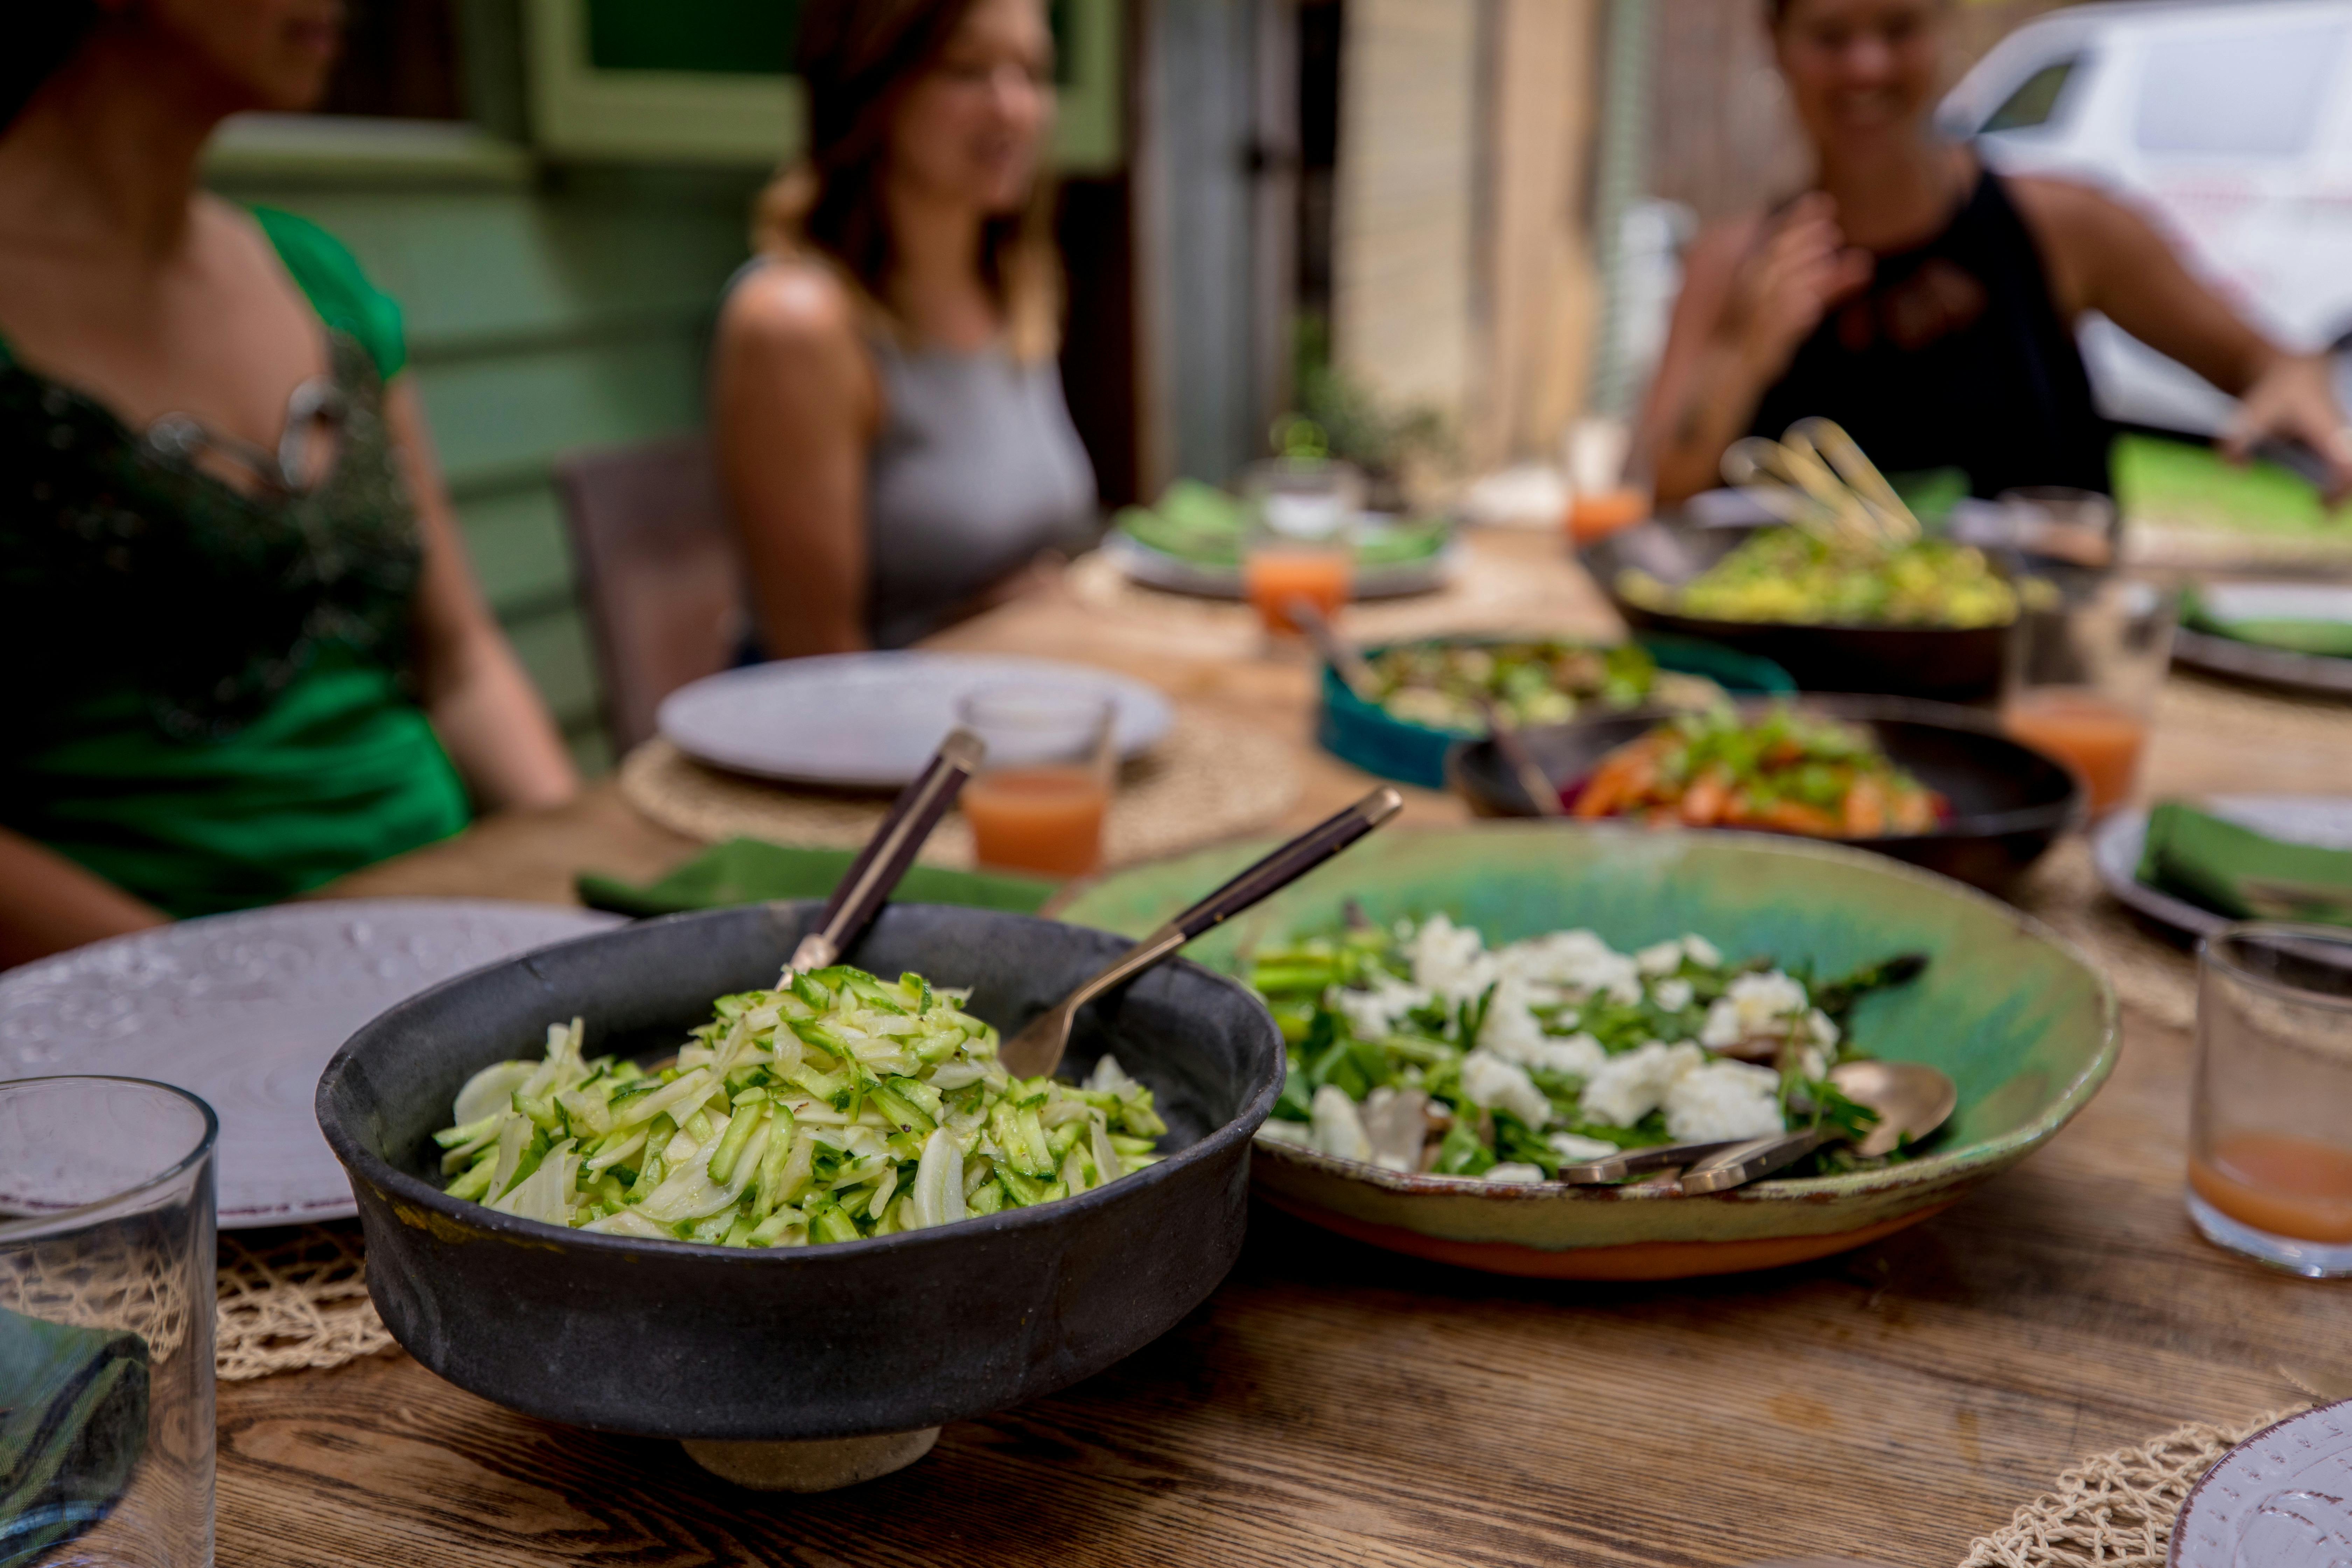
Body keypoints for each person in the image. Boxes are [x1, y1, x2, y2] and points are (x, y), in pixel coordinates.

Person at [0, 0, 579, 967]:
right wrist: (200, 989)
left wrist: (575, 866)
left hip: (444, 923)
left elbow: (462, 660)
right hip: (140, 1003)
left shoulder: (317, 276)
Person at [1637, 0, 2352, 508]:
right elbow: (1656, 494)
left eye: (1899, 26)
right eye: (1830, 36)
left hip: (2024, 670)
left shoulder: (2060, 225)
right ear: (1778, 44)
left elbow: (2271, 361)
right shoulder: (1733, 261)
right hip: (1802, 680)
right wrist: (1741, 351)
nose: (1867, 66)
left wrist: (2298, 389)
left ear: (1942, 27)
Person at [712, 0, 1099, 659]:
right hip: (882, 753)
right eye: (966, 69)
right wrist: (982, 638)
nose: (1013, 108)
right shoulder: (795, 326)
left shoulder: (1014, 291)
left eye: (1032, 73)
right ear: (871, 87)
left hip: (998, 711)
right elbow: (820, 673)